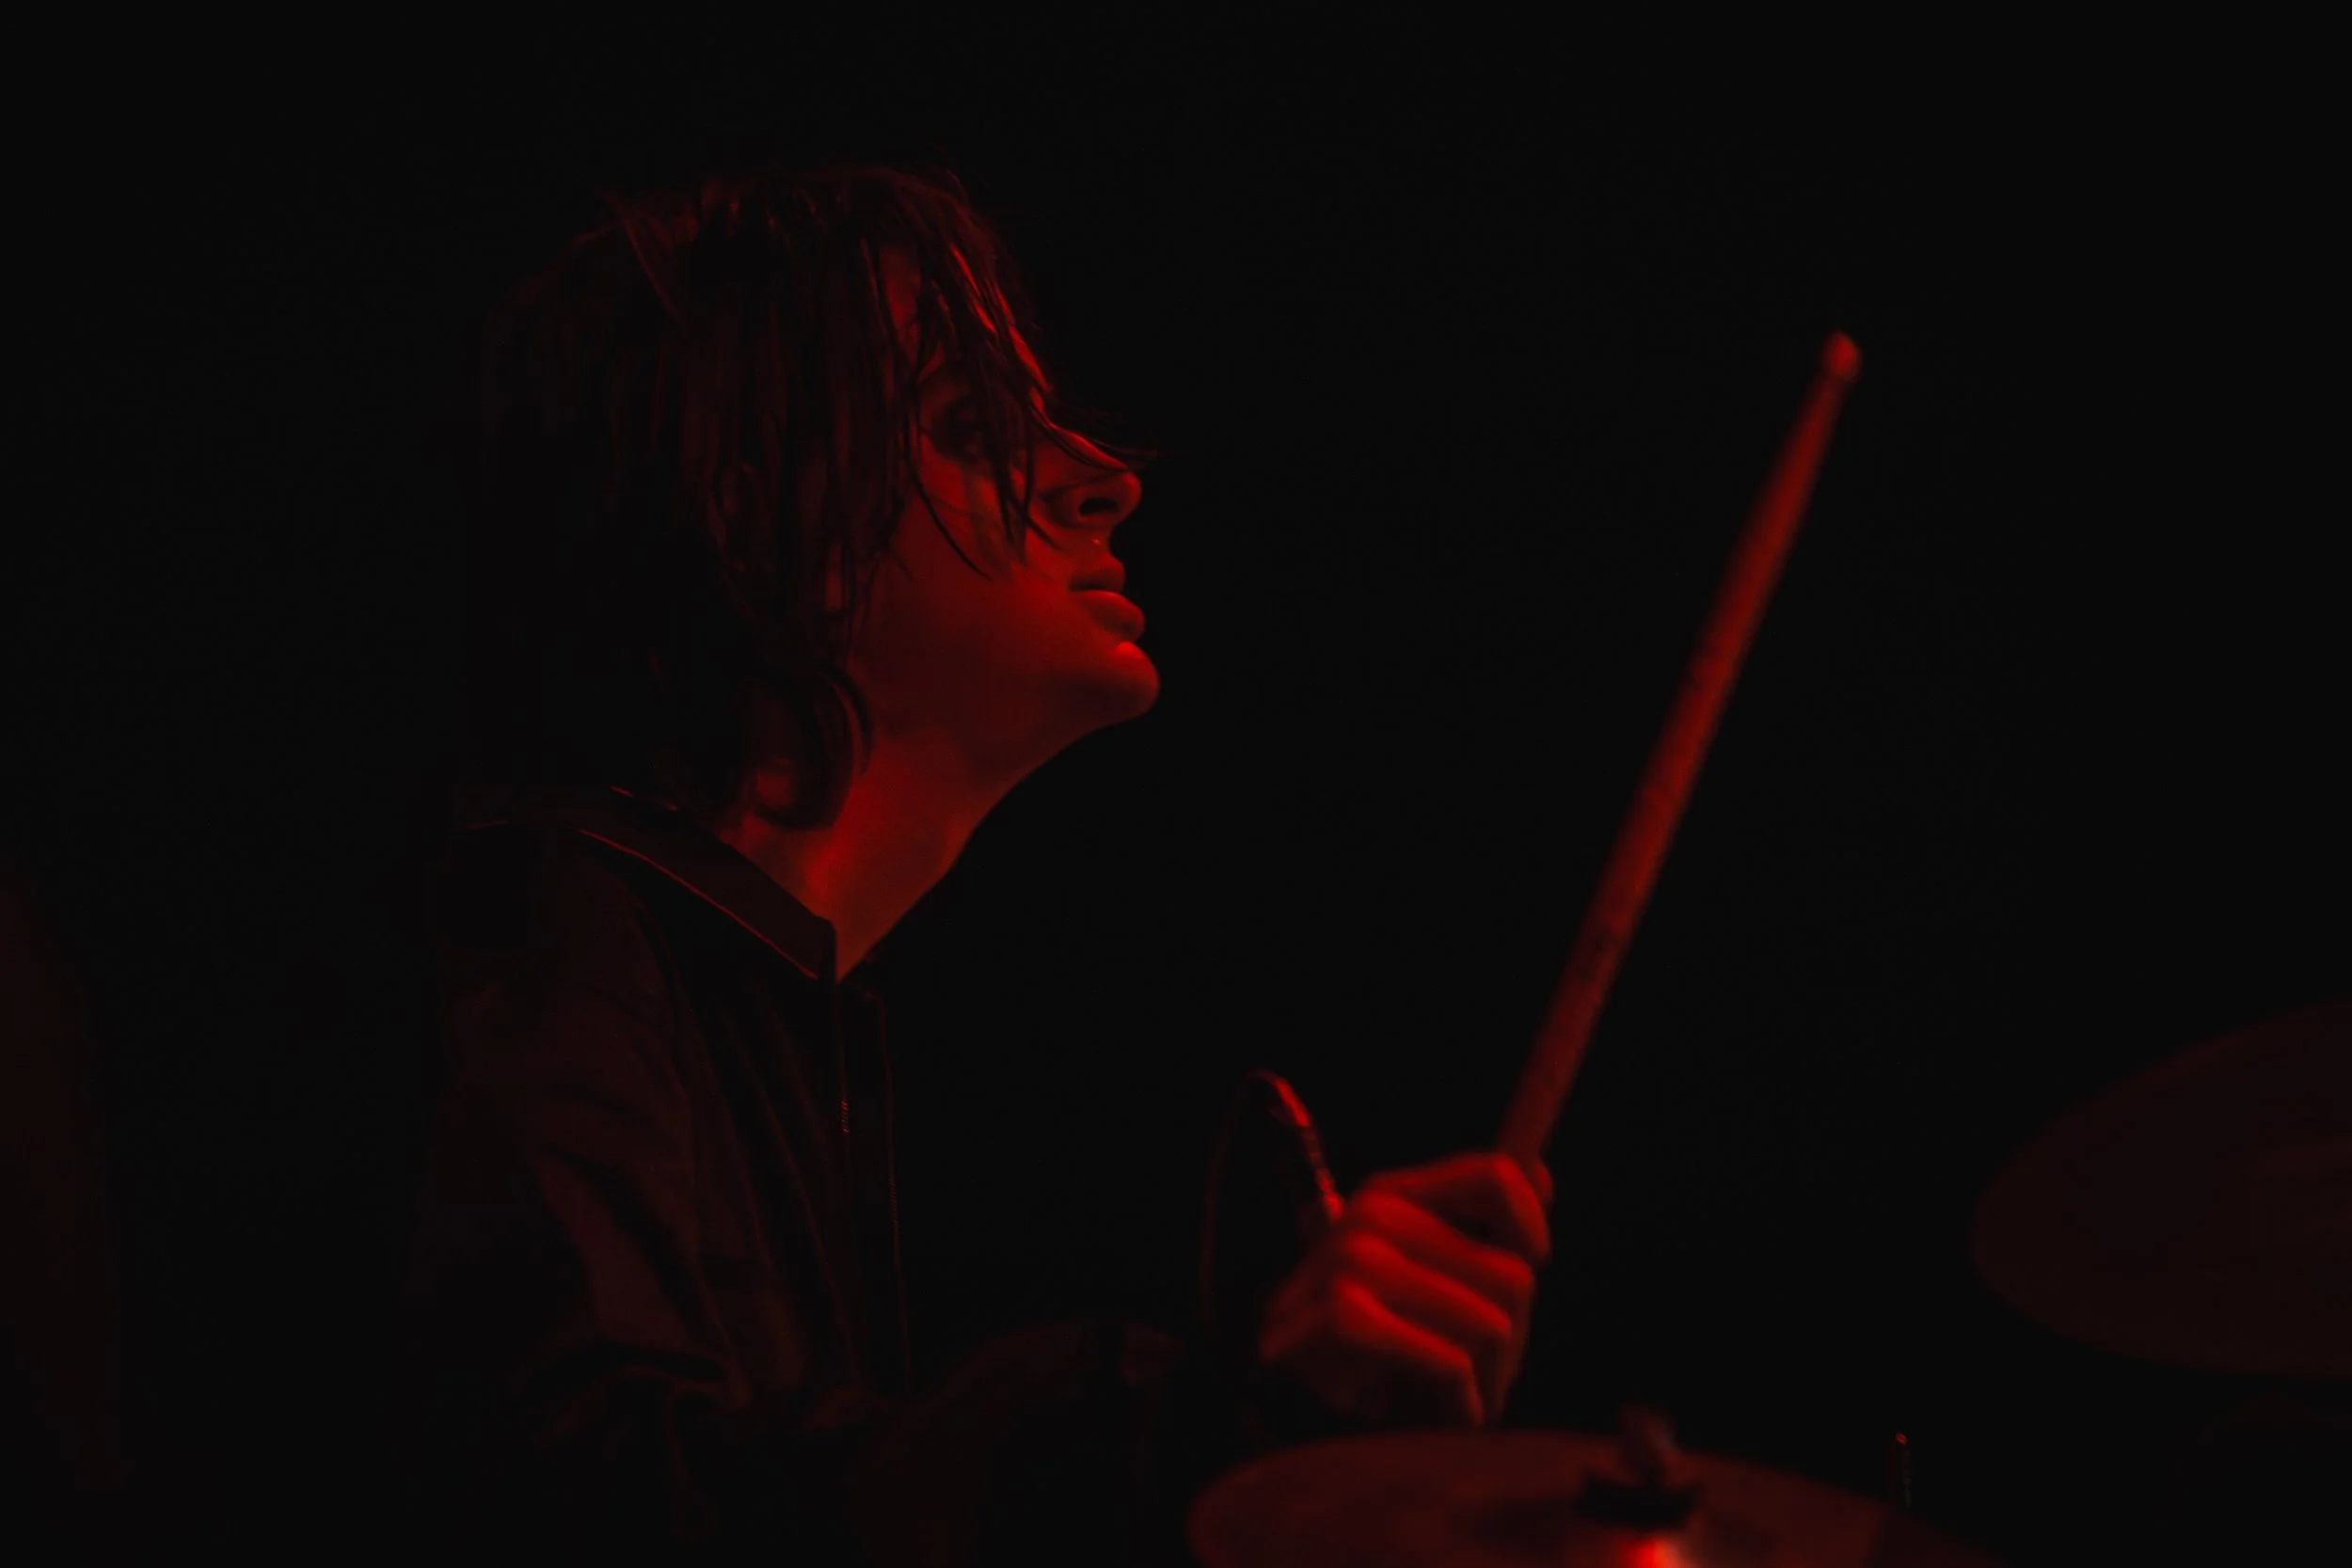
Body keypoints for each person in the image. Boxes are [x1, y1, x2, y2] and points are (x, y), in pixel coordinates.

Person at [395, 162, 1553, 1563]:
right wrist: (1167, 1430)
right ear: (763, 529)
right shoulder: (538, 928)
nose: (1107, 480)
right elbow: (579, 1505)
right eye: (972, 425)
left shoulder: (739, 1018)